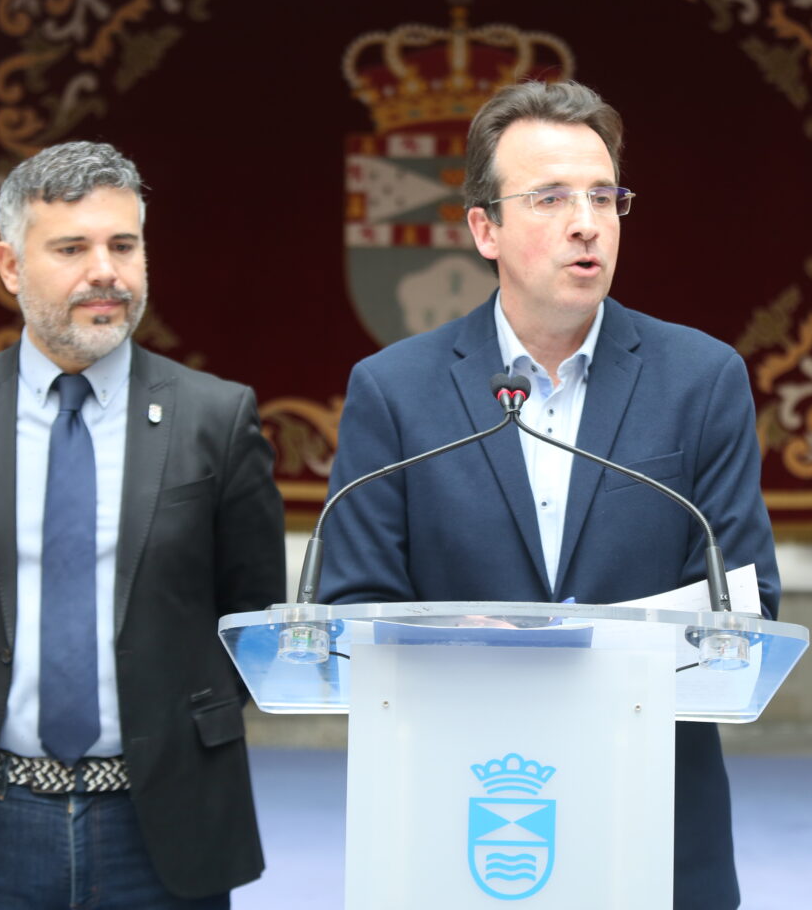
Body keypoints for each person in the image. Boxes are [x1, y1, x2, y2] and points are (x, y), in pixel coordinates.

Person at [317, 79, 781, 909]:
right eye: (552, 197)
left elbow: (744, 607)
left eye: (605, 196)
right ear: (484, 228)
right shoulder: (395, 391)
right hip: (454, 813)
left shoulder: (700, 380)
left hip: (653, 815)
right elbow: (353, 611)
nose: (587, 222)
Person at [0, 142, 285, 908]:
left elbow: (250, 611)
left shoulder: (215, 417)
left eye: (124, 245)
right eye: (72, 248)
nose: (107, 271)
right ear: (10, 266)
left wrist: (179, 721)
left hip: (165, 820)